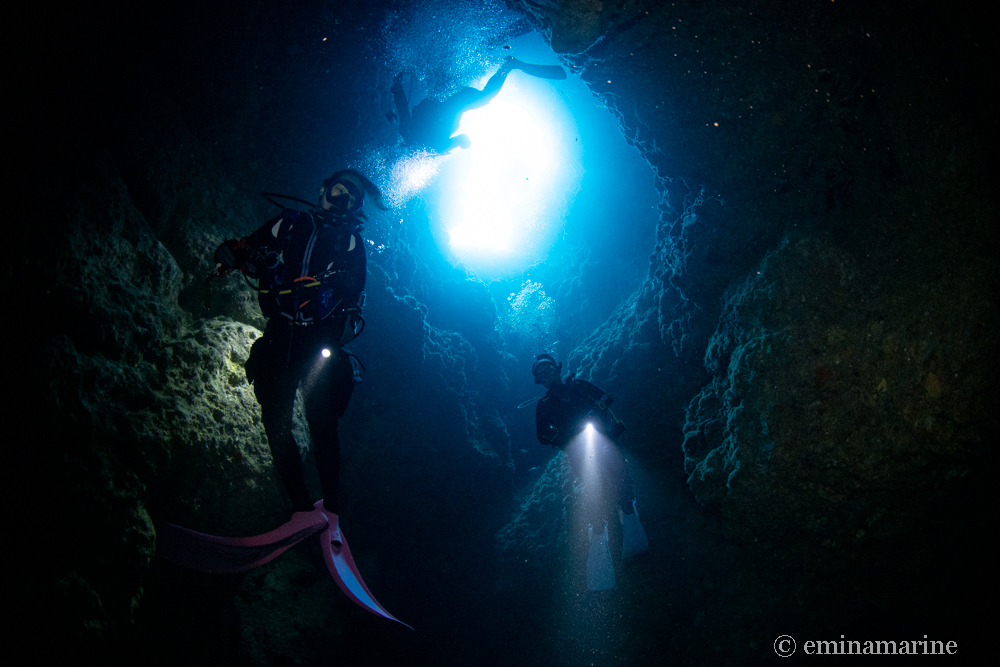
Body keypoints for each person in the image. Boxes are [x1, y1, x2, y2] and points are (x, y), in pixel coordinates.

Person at [158, 170, 410, 627]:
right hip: (280, 338)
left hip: (321, 346)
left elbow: (355, 293)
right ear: (322, 190)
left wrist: (329, 288)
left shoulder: (352, 243)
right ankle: (300, 510)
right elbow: (247, 248)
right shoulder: (288, 224)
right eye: (338, 190)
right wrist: (231, 254)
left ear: (357, 208)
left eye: (352, 198)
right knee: (273, 420)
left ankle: (330, 512)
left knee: (323, 424)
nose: (342, 200)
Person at [532, 353, 648, 590]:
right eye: (541, 375)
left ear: (557, 369)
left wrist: (597, 410)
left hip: (604, 441)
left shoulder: (580, 386)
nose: (547, 377)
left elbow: (606, 396)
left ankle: (627, 510)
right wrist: (563, 435)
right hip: (578, 453)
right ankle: (598, 529)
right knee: (595, 489)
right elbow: (542, 436)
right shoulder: (544, 405)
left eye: (549, 370)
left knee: (621, 476)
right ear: (539, 381)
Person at [387, 56, 566, 154]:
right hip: (449, 100)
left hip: (453, 102)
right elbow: (401, 106)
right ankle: (493, 62)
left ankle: (508, 65)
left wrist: (465, 143)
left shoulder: (423, 141)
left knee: (484, 97)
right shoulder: (412, 135)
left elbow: (461, 139)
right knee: (456, 84)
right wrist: (396, 86)